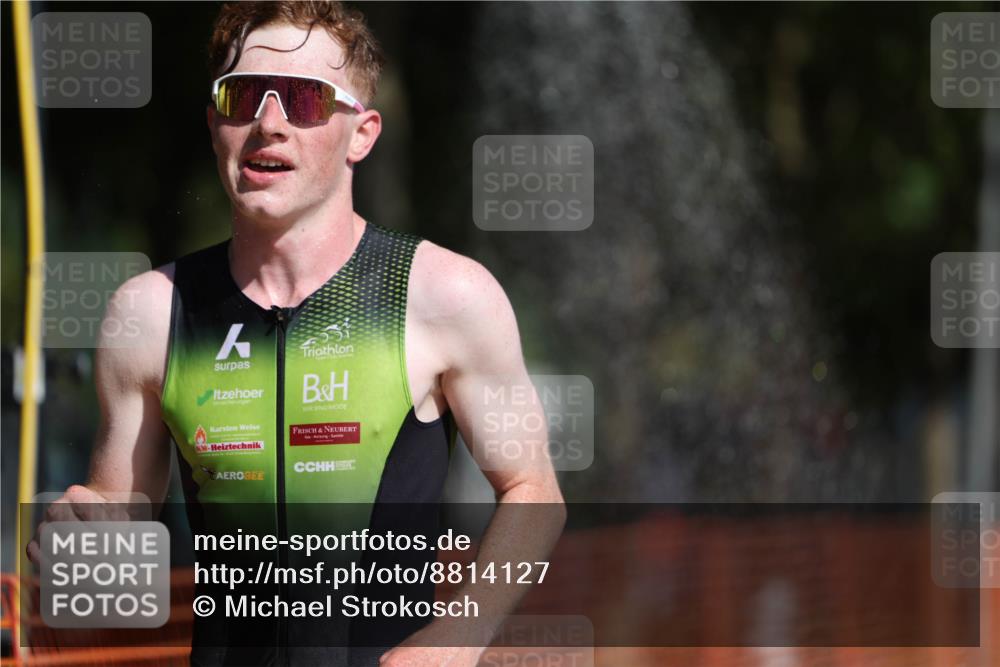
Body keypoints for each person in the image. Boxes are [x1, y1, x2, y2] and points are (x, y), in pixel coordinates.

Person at [28, 2, 565, 666]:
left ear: (361, 133)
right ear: (213, 124)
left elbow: (535, 491)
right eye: (243, 97)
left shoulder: (445, 294)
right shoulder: (148, 313)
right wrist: (81, 547)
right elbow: (112, 554)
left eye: (306, 101)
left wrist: (457, 638)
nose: (269, 124)